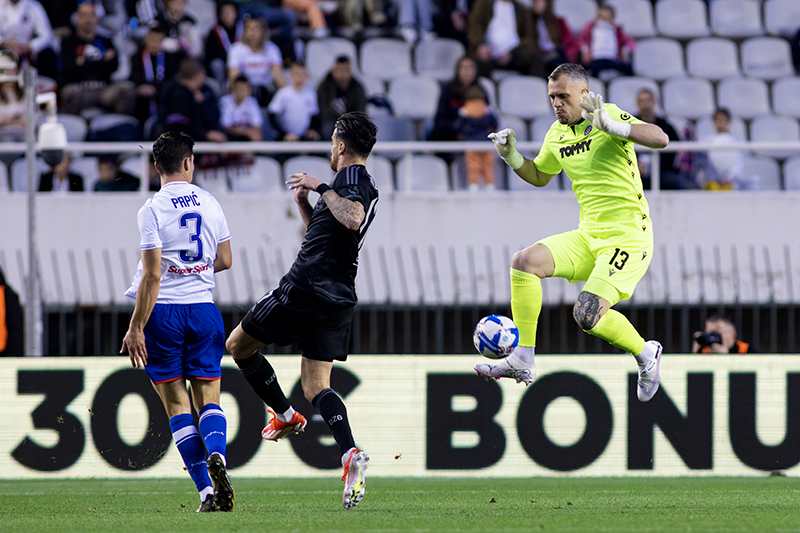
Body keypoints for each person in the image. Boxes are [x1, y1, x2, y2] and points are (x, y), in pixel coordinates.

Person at [476, 63, 668, 404]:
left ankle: (645, 353)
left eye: (563, 96)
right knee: (525, 261)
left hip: (627, 237)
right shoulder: (557, 134)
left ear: (584, 94)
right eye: (552, 97)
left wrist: (613, 127)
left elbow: (660, 138)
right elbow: (539, 175)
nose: (557, 104)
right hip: (588, 235)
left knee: (587, 315)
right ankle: (523, 358)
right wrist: (511, 157)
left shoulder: (607, 115)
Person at [225, 111, 378, 510]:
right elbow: (332, 233)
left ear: (341, 146)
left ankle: (286, 415)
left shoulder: (351, 181)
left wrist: (320, 185)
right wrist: (304, 206)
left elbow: (352, 216)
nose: (331, 148)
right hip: (337, 295)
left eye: (332, 141)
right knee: (316, 386)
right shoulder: (355, 184)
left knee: (238, 345)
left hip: (306, 287)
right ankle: (349, 455)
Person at [120, 131, 235, 513]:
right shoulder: (210, 202)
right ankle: (218, 454)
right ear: (189, 162)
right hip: (203, 309)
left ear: (156, 167)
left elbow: (152, 275)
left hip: (163, 314)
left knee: (176, 405)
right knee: (208, 398)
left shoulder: (151, 209)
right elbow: (226, 259)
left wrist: (136, 327)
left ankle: (205, 492)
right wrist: (194, 268)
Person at [59, 0, 136, 116]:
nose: (88, 19)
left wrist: (83, 63)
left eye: (92, 15)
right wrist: (102, 61)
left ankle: (120, 126)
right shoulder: (68, 42)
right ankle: (74, 129)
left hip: (104, 90)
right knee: (70, 92)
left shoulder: (106, 41)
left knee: (127, 88)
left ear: (97, 19)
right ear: (77, 18)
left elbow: (114, 67)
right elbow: (69, 70)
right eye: (84, 15)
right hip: (81, 89)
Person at [634, 88, 697, 190]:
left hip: (662, 172)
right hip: (634, 172)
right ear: (637, 104)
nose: (645, 104)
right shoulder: (630, 125)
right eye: (641, 101)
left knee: (678, 182)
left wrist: (656, 166)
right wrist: (634, 164)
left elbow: (674, 151)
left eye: (648, 100)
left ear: (654, 102)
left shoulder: (666, 127)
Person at [158, 58, 228, 143]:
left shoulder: (203, 92)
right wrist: (205, 134)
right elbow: (177, 127)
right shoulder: (178, 95)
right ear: (200, 75)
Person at [468, 0, 543, 79]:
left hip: (514, 55)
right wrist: (481, 44)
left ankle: (536, 89)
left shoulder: (522, 9)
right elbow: (475, 26)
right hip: (488, 54)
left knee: (533, 54)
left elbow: (529, 36)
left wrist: (512, 53)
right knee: (476, 60)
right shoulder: (484, 3)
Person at [130, 21, 184, 127]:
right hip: (142, 96)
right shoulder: (137, 56)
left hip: (161, 93)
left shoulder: (169, 57)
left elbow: (171, 79)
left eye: (159, 41)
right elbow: (134, 77)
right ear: (146, 39)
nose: (155, 44)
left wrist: (155, 88)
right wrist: (141, 87)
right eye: (152, 40)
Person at [227, 16, 286, 107]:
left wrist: (289, 94)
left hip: (265, 90)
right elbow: (234, 77)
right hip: (244, 89)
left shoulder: (272, 49)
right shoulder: (236, 49)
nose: (252, 33)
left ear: (263, 32)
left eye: (255, 29)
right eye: (249, 29)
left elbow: (278, 76)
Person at [427, 55, 485, 142]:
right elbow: (440, 118)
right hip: (451, 131)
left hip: (474, 131)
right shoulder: (448, 89)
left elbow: (486, 114)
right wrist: (457, 128)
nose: (468, 72)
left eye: (471, 68)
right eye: (464, 68)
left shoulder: (481, 91)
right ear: (458, 70)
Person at [453, 84, 498, 191]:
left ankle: (473, 184)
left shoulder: (464, 112)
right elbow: (495, 124)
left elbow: (458, 126)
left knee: (473, 165)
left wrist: (461, 135)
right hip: (486, 142)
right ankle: (490, 184)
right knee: (488, 165)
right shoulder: (488, 111)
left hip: (471, 143)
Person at [0, 0, 58, 79]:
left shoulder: (33, 6)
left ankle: (41, 84)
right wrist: (4, 42)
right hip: (3, 47)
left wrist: (30, 46)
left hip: (26, 49)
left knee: (47, 53)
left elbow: (47, 35)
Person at [578, 4, 635, 81]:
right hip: (596, 59)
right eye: (601, 17)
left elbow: (631, 42)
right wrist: (585, 50)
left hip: (612, 59)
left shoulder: (617, 30)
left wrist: (625, 49)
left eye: (607, 18)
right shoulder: (590, 27)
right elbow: (581, 39)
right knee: (592, 70)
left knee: (628, 68)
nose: (604, 21)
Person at [316, 55, 367, 139]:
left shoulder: (357, 88)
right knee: (328, 129)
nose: (342, 75)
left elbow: (360, 112)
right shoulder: (324, 87)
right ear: (333, 71)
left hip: (350, 124)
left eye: (346, 70)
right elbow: (322, 112)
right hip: (330, 123)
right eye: (339, 70)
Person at [267, 62, 320, 141]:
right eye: (297, 74)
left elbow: (314, 115)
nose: (299, 78)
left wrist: (312, 130)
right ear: (290, 75)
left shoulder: (311, 94)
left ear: (306, 76)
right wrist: (285, 134)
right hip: (286, 137)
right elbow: (272, 116)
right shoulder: (283, 93)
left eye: (302, 74)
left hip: (304, 136)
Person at [703, 108, 750, 190]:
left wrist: (729, 178)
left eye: (723, 120)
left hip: (731, 183)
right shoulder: (707, 141)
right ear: (713, 122)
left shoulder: (736, 142)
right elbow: (706, 164)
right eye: (717, 120)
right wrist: (714, 178)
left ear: (729, 122)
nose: (720, 123)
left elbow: (738, 164)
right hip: (713, 182)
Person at [531, 0, 579, 72]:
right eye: (534, 2)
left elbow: (570, 42)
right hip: (542, 56)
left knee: (559, 54)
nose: (535, 5)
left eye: (539, 2)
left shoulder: (558, 22)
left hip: (558, 54)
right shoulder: (530, 24)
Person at [219, 75, 263, 141]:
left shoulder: (252, 102)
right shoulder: (225, 102)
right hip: (229, 136)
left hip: (246, 137)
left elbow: (257, 125)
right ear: (233, 89)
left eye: (244, 89)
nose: (242, 92)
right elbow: (226, 127)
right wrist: (248, 132)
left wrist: (251, 133)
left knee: (257, 137)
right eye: (239, 88)